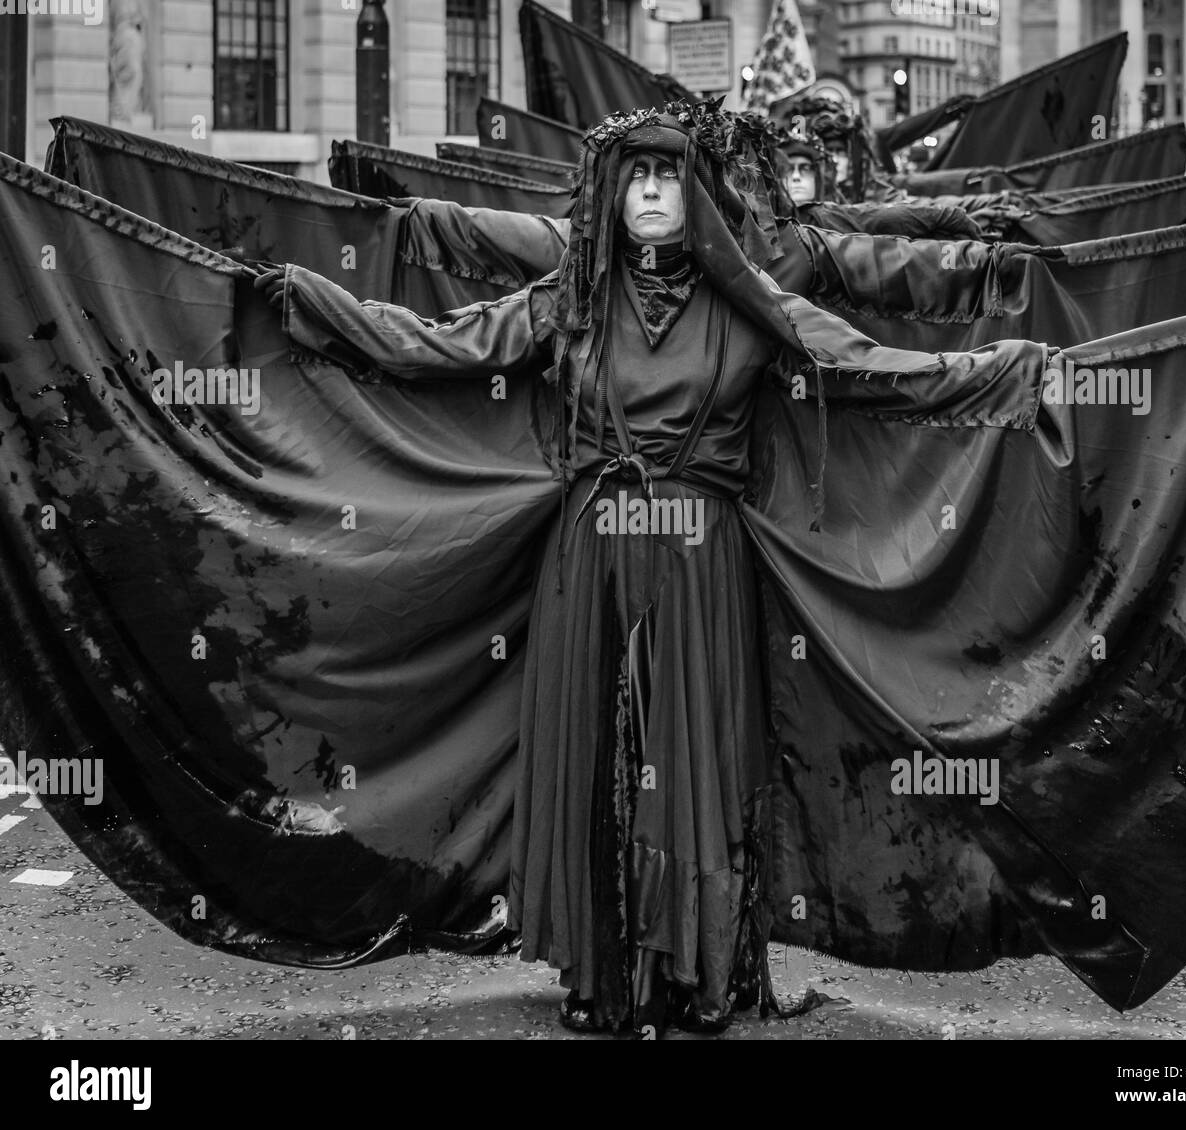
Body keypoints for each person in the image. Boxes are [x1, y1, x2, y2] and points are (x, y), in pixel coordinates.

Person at [253, 102, 983, 1038]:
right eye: (634, 176)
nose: (649, 193)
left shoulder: (751, 305)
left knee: (692, 757)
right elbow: (442, 347)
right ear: (611, 189)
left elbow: (876, 367)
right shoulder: (571, 300)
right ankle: (604, 977)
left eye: (667, 177)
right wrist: (309, 303)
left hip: (701, 564)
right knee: (600, 751)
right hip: (590, 559)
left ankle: (703, 973)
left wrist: (1003, 375)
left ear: (696, 194)